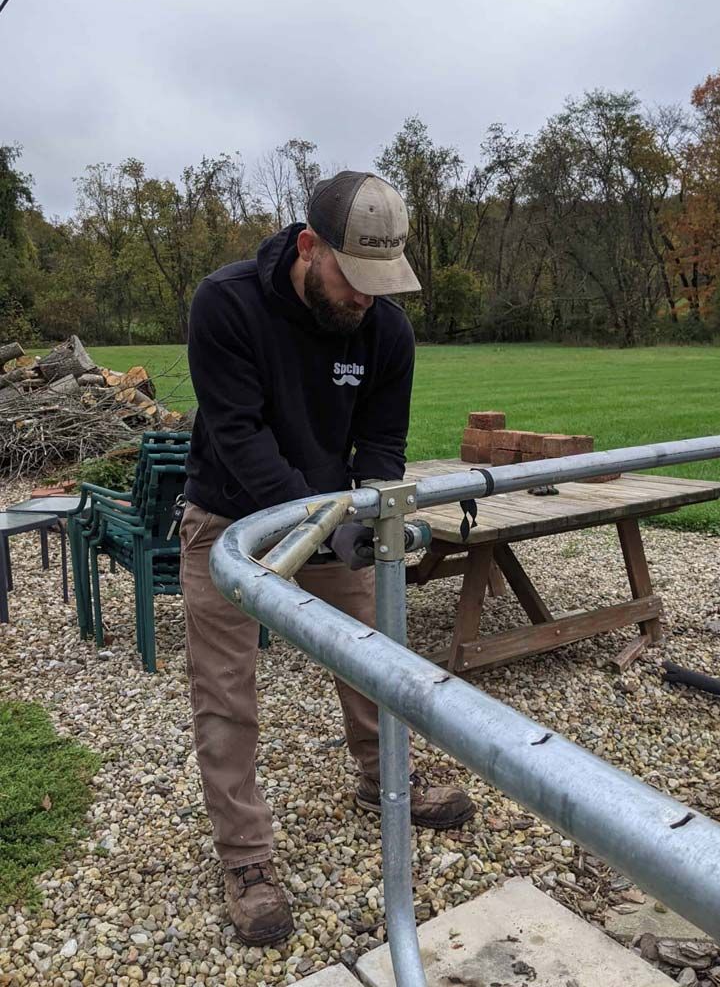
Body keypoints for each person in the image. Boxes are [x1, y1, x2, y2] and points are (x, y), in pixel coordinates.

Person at [180, 170, 476, 946]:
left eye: (384, 285)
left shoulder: (385, 331)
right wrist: (321, 518)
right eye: (354, 279)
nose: (366, 300)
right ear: (310, 247)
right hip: (226, 518)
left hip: (326, 514)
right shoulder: (227, 303)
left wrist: (371, 519)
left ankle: (387, 780)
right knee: (225, 695)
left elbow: (381, 446)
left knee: (375, 656)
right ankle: (245, 859)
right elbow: (239, 436)